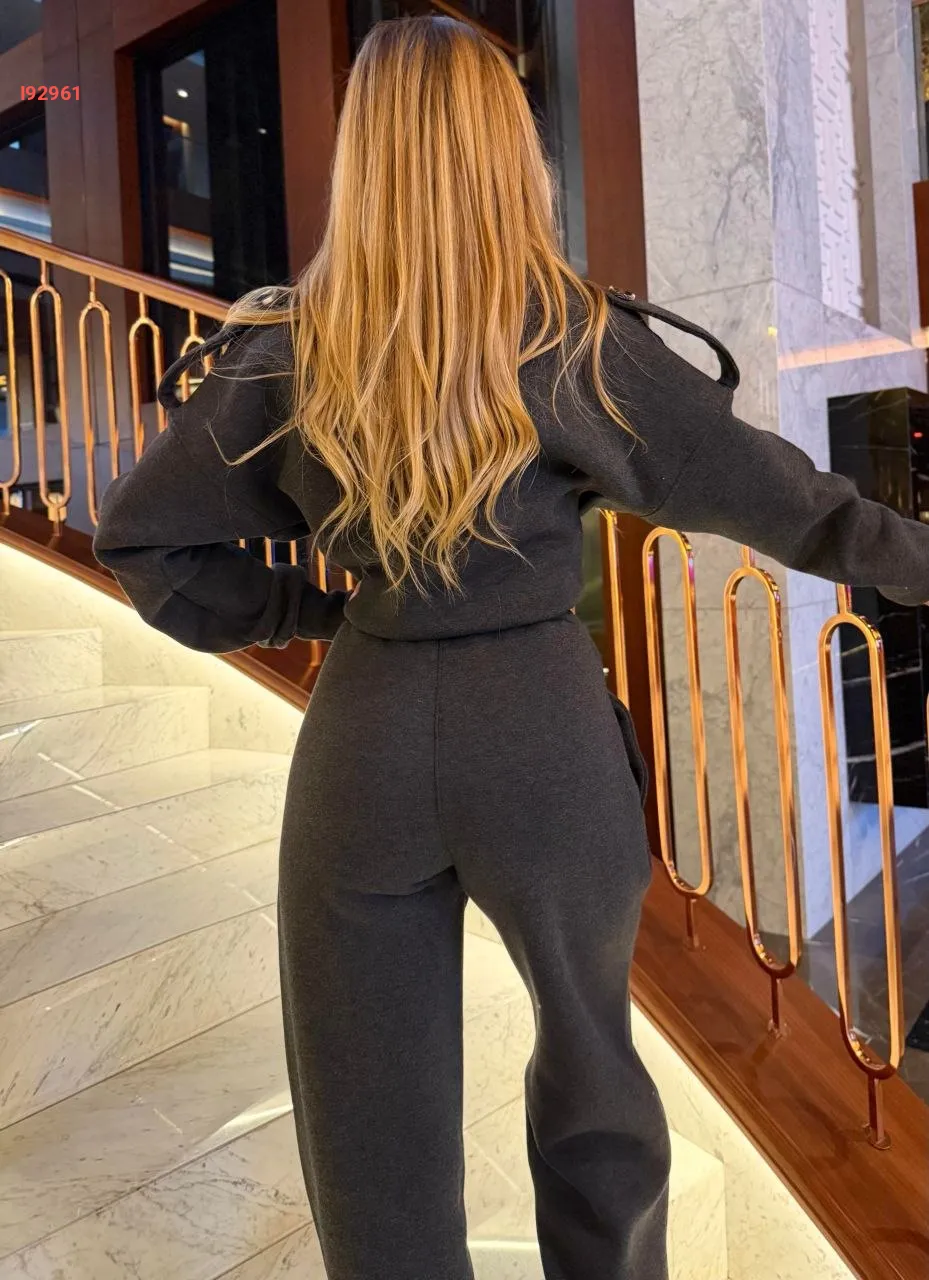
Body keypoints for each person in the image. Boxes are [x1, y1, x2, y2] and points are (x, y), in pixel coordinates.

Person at [93, 15, 929, 1280]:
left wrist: (311, 614)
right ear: (509, 152)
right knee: (595, 1087)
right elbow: (791, 503)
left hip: (364, 739)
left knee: (367, 1128)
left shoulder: (284, 353)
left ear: (363, 155)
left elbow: (145, 543)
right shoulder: (580, 341)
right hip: (541, 732)